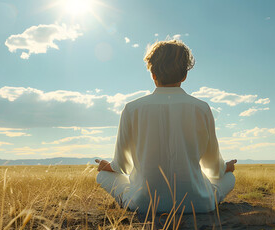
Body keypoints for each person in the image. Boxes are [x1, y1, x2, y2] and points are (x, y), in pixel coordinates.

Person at [94, 39, 236, 214]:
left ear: (153, 74)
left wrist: (106, 166)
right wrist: (226, 167)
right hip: (197, 204)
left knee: (103, 175)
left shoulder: (132, 109)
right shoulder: (201, 108)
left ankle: (128, 200)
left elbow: (122, 166)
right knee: (229, 178)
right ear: (185, 75)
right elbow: (213, 169)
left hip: (143, 204)